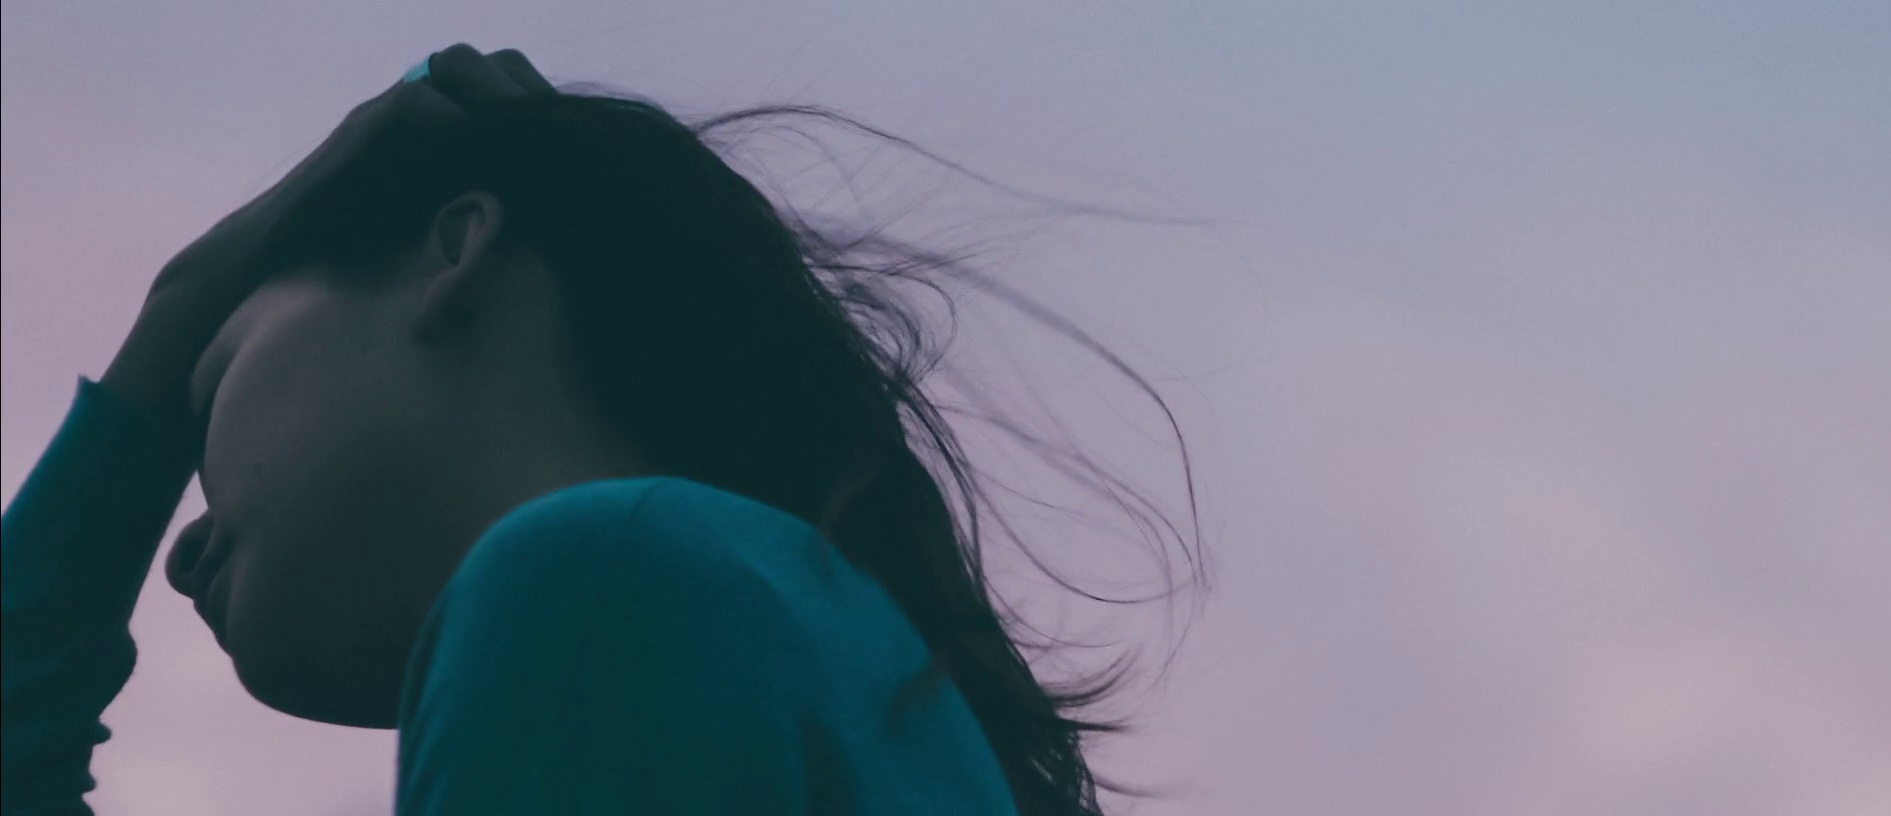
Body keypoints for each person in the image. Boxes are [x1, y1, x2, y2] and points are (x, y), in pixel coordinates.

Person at [1, 43, 1204, 815]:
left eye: (211, 389)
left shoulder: (604, 579)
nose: (178, 551)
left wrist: (174, 322)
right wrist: (185, 311)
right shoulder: (754, 634)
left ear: (455, 255)